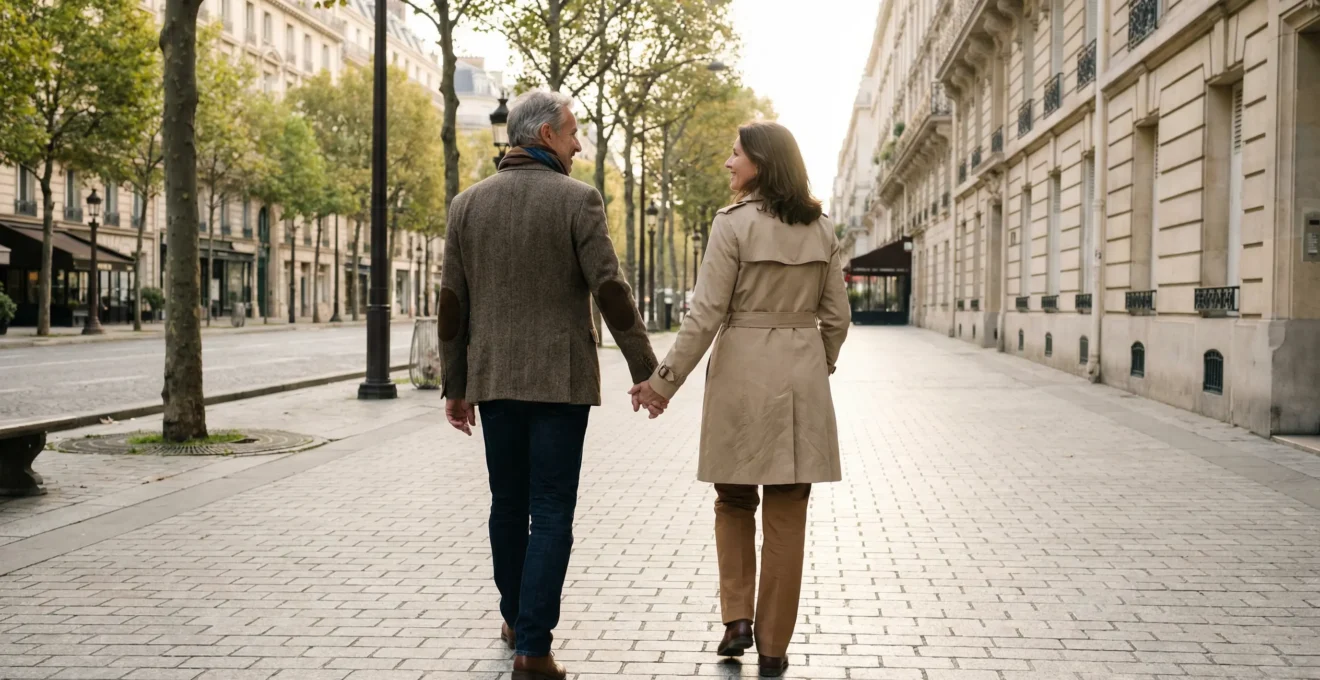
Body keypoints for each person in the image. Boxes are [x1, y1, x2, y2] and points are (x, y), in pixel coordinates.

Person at [439, 90, 667, 680]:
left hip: (493, 379)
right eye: (571, 133)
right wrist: (646, 371)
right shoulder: (577, 199)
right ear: (545, 136)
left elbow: (452, 304)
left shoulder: (467, 204)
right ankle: (533, 650)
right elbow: (610, 290)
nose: (578, 144)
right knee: (550, 509)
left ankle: (517, 620)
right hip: (561, 382)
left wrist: (455, 385)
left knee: (508, 504)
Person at [633, 121, 850, 677]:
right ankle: (773, 648)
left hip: (740, 374)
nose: (729, 163)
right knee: (788, 510)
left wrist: (663, 382)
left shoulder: (731, 225)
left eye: (736, 154)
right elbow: (837, 318)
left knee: (733, 500)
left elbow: (705, 314)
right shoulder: (822, 229)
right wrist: (817, 363)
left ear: (761, 162)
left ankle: (736, 619)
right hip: (801, 376)